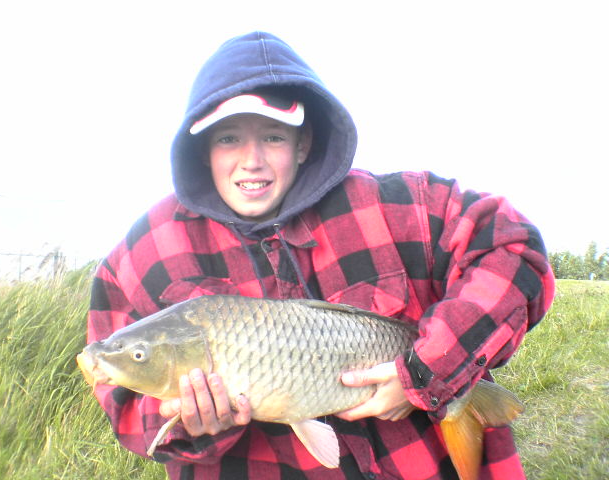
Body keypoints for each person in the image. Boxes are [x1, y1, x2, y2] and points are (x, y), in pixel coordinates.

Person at [86, 31, 555, 479]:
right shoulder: (146, 249)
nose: (251, 160)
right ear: (203, 148)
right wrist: (190, 423)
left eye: (273, 136)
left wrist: (426, 370)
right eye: (228, 138)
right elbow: (124, 403)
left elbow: (514, 246)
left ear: (303, 143)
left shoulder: (396, 205)